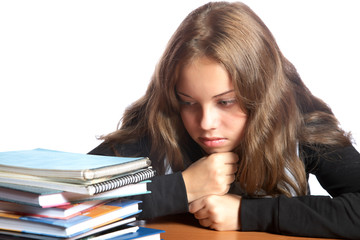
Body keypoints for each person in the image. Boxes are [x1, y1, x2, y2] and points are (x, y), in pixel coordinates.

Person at [89, 1, 360, 239]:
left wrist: (245, 214)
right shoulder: (161, 123)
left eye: (226, 102)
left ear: (261, 94)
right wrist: (183, 187)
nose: (206, 122)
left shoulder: (300, 122)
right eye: (188, 101)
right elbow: (60, 201)